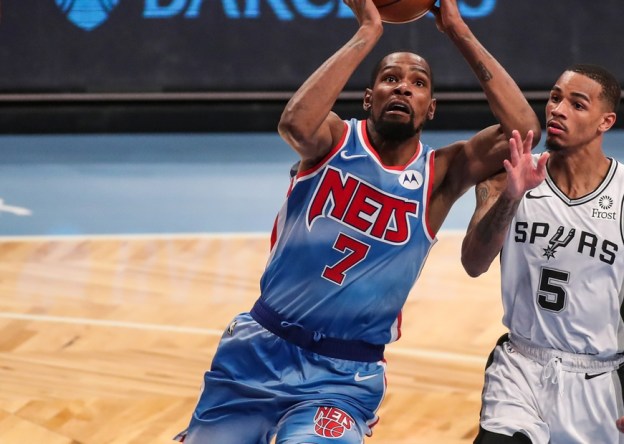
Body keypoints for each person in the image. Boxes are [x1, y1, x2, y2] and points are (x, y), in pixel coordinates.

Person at [175, 0, 541, 442]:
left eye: (417, 83)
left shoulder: (441, 175)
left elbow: (523, 129)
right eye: (390, 79)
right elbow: (294, 124)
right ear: (370, 97)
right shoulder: (332, 139)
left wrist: (458, 30)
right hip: (257, 350)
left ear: (431, 108)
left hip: (341, 378)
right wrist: (368, 31)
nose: (403, 88)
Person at [461, 64, 624, 444]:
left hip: (598, 382)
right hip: (520, 367)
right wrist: (512, 196)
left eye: (577, 104)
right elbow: (473, 263)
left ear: (604, 121)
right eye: (555, 98)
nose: (558, 110)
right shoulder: (508, 177)